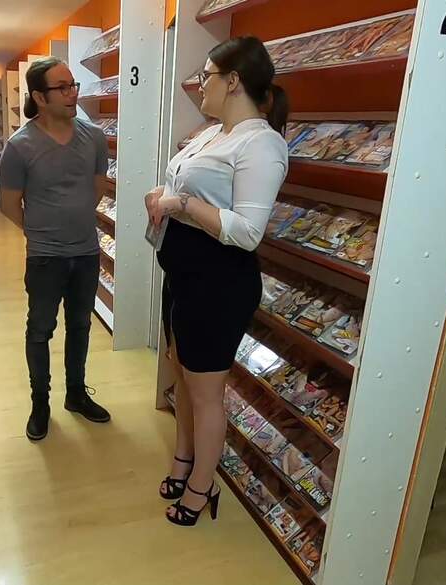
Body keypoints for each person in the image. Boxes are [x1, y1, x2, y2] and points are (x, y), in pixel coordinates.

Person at [146, 36, 289, 526]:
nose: (199, 83)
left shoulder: (261, 144)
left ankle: (202, 487)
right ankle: (183, 459)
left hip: (218, 283)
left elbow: (247, 231)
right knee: (184, 376)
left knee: (206, 392)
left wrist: (182, 204)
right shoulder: (213, 133)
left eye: (205, 75)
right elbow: (190, 186)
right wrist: (163, 194)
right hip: (184, 275)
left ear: (232, 81)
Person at [0, 57, 112, 441]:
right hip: (45, 257)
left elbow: (97, 185)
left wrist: (73, 219)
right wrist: (42, 232)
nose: (72, 94)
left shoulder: (94, 137)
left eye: (73, 85)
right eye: (62, 88)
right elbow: (9, 205)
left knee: (80, 325)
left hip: (86, 252)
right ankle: (40, 403)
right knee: (40, 329)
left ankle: (76, 394)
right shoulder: (20, 147)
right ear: (39, 97)